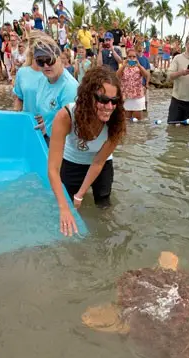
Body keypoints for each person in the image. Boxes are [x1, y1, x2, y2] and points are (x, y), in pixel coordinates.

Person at [48, 66, 126, 235]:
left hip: (101, 163)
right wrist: (64, 207)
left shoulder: (117, 120)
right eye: (103, 100)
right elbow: (53, 169)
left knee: (103, 206)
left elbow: (98, 162)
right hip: (72, 162)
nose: (109, 106)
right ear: (88, 96)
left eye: (114, 101)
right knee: (66, 206)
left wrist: (81, 194)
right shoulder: (66, 116)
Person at [32, 36, 79, 143]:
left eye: (50, 60)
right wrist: (48, 123)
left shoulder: (69, 88)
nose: (46, 65)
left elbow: (72, 128)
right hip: (48, 135)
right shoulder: (43, 79)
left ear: (59, 58)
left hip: (63, 145)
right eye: (40, 61)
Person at [13, 35, 43, 112]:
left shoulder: (51, 73)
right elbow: (19, 98)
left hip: (48, 122)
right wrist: (15, 116)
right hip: (27, 120)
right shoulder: (22, 72)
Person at [118, 47, 149, 120]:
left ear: (136, 57)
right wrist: (124, 66)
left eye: (134, 56)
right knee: (126, 121)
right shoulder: (123, 65)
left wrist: (139, 66)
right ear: (127, 56)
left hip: (137, 96)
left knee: (138, 121)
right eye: (130, 56)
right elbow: (117, 75)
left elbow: (146, 75)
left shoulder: (139, 66)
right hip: (126, 96)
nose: (132, 58)